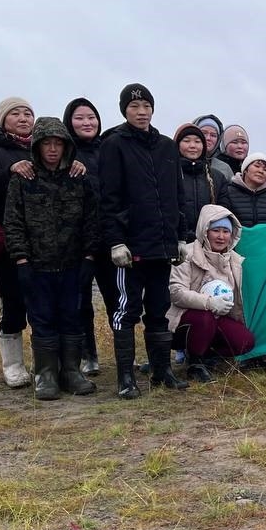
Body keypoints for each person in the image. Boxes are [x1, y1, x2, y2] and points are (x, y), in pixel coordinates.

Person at [99, 83, 191, 398]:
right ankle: (126, 377)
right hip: (131, 246)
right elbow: (108, 197)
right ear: (124, 110)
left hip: (163, 245)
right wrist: (115, 240)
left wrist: (180, 237)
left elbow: (177, 195)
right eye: (135, 107)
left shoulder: (166, 146)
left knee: (159, 308)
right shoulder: (114, 145)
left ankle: (162, 371)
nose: (141, 112)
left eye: (147, 107)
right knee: (127, 309)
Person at [3, 117, 100, 400]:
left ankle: (71, 371)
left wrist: (90, 256)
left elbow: (92, 221)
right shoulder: (22, 180)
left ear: (66, 146)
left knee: (72, 318)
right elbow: (13, 222)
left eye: (58, 143)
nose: (53, 149)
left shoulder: (79, 178)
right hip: (36, 265)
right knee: (42, 318)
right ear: (37, 146)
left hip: (73, 264)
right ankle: (45, 374)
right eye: (47, 143)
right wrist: (21, 261)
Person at [0, 96, 36, 389]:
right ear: (3, 120)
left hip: (42, 238)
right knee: (13, 302)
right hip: (8, 237)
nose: (24, 118)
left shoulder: (45, 148)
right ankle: (13, 365)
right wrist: (11, 169)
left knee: (42, 302)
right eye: (16, 113)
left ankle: (46, 361)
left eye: (28, 113)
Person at [167, 205, 254, 382]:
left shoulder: (235, 261)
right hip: (184, 319)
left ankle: (207, 355)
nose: (221, 236)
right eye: (216, 230)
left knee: (246, 342)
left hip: (218, 318)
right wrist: (209, 303)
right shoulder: (187, 254)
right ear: (205, 231)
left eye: (225, 231)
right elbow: (176, 292)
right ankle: (195, 363)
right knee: (204, 317)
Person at [64, 97, 112, 376]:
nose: (87, 123)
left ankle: (122, 352)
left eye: (91, 117)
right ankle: (87, 355)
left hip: (109, 239)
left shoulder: (109, 151)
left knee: (115, 299)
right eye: (80, 118)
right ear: (69, 121)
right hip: (78, 243)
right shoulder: (63, 153)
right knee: (80, 302)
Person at [174, 122, 230, 235]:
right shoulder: (167, 173)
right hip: (175, 241)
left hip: (207, 242)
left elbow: (223, 212)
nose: (193, 146)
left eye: (197, 141)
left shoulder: (217, 177)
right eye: (186, 141)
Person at [223, 152, 266, 227]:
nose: (261, 171)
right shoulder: (227, 192)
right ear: (245, 169)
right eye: (257, 166)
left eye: (265, 170)